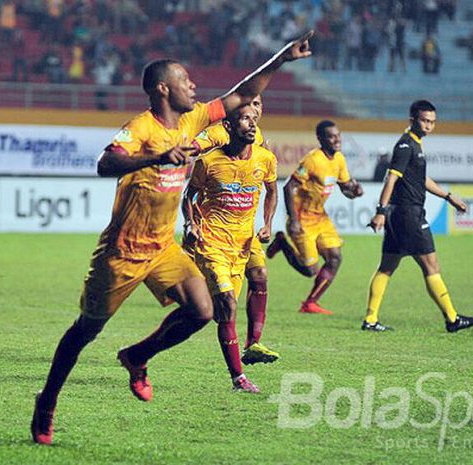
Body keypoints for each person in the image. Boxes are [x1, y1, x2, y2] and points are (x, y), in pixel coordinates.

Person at [31, 31, 314, 446]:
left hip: (164, 247)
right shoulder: (142, 128)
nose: (194, 87)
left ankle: (137, 356)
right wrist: (157, 157)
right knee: (85, 331)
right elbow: (105, 163)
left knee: (203, 311)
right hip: (123, 252)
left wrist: (281, 59)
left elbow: (241, 94)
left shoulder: (193, 119)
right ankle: (48, 400)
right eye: (186, 81)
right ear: (164, 88)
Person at [363, 100, 473, 332]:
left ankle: (370, 319)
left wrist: (448, 197)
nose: (429, 126)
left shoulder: (414, 145)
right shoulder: (406, 146)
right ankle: (452, 318)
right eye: (425, 120)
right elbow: (391, 178)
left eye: (432, 122)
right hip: (409, 214)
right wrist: (380, 211)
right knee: (431, 266)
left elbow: (420, 180)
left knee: (386, 267)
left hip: (400, 214)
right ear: (412, 120)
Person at [182, 104, 277, 393]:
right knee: (227, 303)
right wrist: (191, 225)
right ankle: (238, 378)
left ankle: (252, 342)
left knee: (258, 276)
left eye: (253, 118)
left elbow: (272, 191)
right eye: (244, 119)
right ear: (227, 127)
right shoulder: (208, 162)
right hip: (213, 242)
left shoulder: (266, 159)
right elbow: (189, 196)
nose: (251, 123)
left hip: (245, 241)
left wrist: (268, 224)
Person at [267, 120, 363, 315]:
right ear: (321, 139)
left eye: (338, 135)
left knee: (335, 257)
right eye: (331, 136)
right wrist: (293, 220)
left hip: (321, 218)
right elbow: (288, 187)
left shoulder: (339, 160)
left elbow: (345, 187)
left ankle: (310, 303)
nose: (337, 140)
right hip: (302, 219)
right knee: (310, 270)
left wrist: (355, 191)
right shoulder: (312, 160)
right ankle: (283, 243)